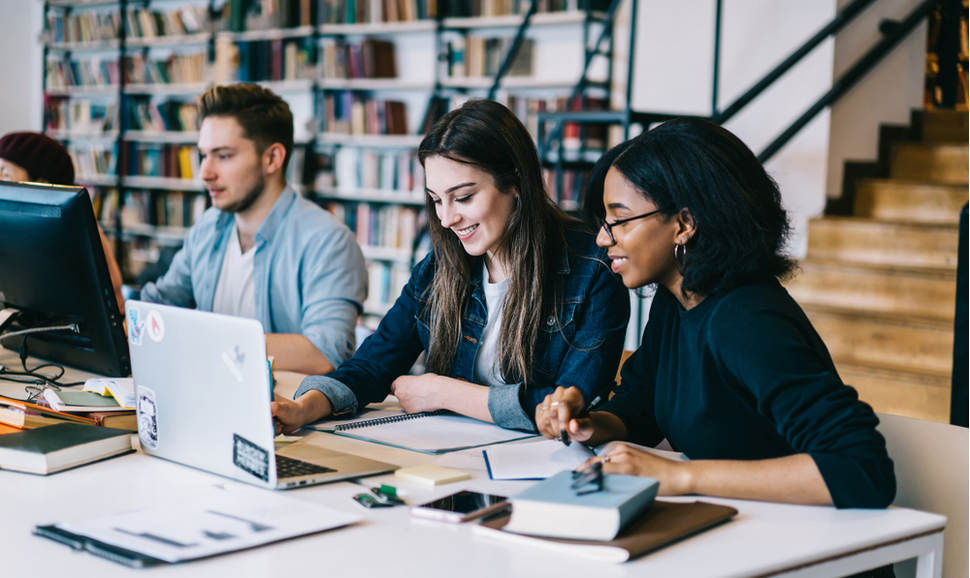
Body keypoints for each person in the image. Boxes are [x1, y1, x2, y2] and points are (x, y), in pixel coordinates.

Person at [536, 118, 896, 510]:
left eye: (618, 219)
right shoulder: (678, 300)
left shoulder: (746, 319)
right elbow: (640, 407)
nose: (603, 238)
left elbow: (862, 468)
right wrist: (586, 425)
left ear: (684, 224)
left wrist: (680, 476)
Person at [272, 100, 630, 433]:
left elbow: (564, 411)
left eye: (463, 197)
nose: (446, 219)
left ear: (517, 182)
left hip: (544, 470)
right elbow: (371, 365)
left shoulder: (596, 266)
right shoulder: (438, 267)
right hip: (449, 460)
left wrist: (445, 393)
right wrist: (303, 408)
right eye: (436, 200)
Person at [139, 84, 366, 375]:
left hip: (283, 413)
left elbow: (325, 352)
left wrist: (207, 342)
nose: (205, 173)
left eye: (223, 156)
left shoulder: (328, 241)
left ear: (272, 158)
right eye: (204, 155)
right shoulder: (209, 226)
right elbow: (157, 305)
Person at [0, 131, 125, 313]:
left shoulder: (82, 235)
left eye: (6, 175)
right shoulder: (11, 229)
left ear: (41, 183)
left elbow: (111, 313)